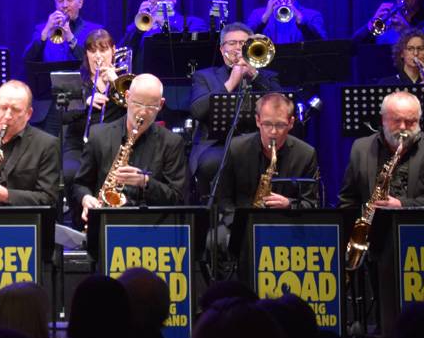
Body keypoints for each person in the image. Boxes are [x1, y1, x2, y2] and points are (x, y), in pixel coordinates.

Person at [73, 73, 187, 223]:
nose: (143, 112)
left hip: (150, 226)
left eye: (151, 106)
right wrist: (86, 198)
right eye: (138, 104)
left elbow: (178, 199)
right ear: (127, 97)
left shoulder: (172, 143)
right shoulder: (99, 135)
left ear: (160, 104)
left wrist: (145, 182)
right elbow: (80, 184)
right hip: (105, 223)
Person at [189, 22, 282, 200]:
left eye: (243, 43)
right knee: (212, 164)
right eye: (232, 43)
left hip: (260, 143)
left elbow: (281, 106)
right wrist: (231, 83)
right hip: (217, 144)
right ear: (221, 49)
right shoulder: (204, 76)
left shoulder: (268, 77)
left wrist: (255, 75)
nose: (238, 48)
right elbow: (197, 111)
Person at [337, 91, 424, 210]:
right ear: (383, 119)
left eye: (410, 121)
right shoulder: (361, 147)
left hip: (419, 222)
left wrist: (403, 205)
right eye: (396, 120)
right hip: (374, 223)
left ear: (419, 120)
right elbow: (348, 199)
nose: (403, 127)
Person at [215, 93, 320, 227]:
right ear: (258, 121)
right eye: (267, 124)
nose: (273, 132)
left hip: (287, 225)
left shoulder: (306, 154)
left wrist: (289, 204)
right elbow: (223, 198)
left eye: (280, 125)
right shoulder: (236, 148)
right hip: (241, 224)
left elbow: (311, 204)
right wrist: (237, 223)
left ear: (291, 123)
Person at [0, 80, 60, 207]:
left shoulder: (47, 144)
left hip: (19, 217)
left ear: (28, 114)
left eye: (16, 110)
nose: (7, 116)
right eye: (3, 108)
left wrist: (6, 195)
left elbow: (49, 198)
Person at [62, 30, 127, 186]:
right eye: (92, 51)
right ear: (86, 53)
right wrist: (85, 102)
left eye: (103, 50)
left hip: (113, 145)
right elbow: (63, 117)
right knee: (70, 174)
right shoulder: (76, 80)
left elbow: (136, 109)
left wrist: (116, 82)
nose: (97, 56)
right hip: (79, 144)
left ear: (113, 50)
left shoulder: (124, 80)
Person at [376, 29, 424, 138]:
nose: (415, 53)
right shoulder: (387, 83)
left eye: (420, 49)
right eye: (410, 49)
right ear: (402, 53)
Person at [119, 0, 210, 50]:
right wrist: (138, 28)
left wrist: (165, 24)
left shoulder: (193, 23)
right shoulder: (138, 27)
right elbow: (122, 52)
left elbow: (193, 48)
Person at [24, 0, 104, 62]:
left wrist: (71, 38)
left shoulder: (95, 31)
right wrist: (44, 33)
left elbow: (95, 62)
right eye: (60, 1)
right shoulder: (41, 29)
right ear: (55, 4)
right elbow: (27, 60)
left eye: (70, 0)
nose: (65, 5)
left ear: (80, 3)